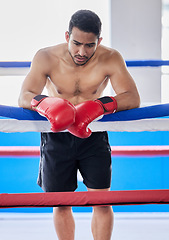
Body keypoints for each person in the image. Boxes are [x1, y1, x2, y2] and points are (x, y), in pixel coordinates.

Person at [18, 9, 140, 240]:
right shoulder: (46, 57)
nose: (82, 51)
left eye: (89, 45)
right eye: (76, 43)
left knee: (101, 201)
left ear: (99, 41)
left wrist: (98, 106)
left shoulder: (110, 57)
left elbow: (132, 97)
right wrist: (48, 103)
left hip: (93, 133)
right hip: (57, 133)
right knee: (61, 203)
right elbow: (25, 95)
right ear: (67, 36)